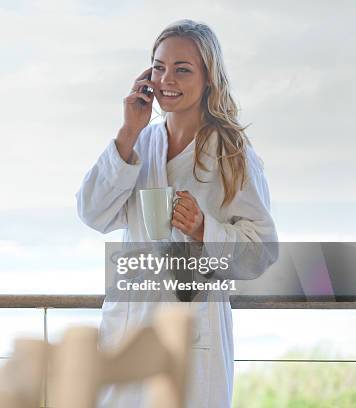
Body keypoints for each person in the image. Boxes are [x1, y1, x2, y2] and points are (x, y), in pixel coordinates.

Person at [76, 19, 278, 407]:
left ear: (208, 80)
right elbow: (93, 212)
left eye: (183, 69)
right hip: (131, 329)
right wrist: (127, 131)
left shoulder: (232, 155)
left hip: (193, 331)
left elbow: (263, 251)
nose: (167, 78)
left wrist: (206, 230)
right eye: (159, 66)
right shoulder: (139, 144)